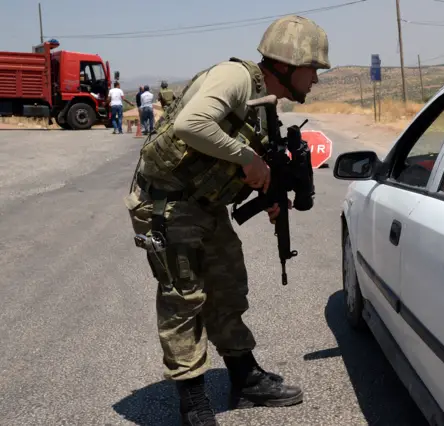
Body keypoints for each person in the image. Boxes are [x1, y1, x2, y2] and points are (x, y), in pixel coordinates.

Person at [122, 15, 329, 426]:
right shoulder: (235, 78)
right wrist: (248, 158)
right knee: (184, 300)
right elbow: (189, 124)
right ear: (288, 66)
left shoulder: (264, 105)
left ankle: (244, 377)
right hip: (166, 203)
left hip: (205, 205)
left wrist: (265, 190)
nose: (317, 80)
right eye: (314, 70)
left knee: (228, 289)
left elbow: (239, 159)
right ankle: (194, 402)